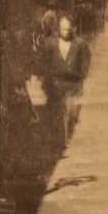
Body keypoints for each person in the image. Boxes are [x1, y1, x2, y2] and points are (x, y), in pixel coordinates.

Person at [43, 15, 90, 146]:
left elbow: (86, 60)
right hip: (56, 83)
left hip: (74, 83)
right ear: (58, 29)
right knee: (60, 113)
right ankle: (62, 141)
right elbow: (44, 63)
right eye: (63, 29)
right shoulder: (50, 43)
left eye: (68, 29)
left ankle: (68, 133)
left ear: (73, 29)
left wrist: (82, 75)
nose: (66, 32)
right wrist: (47, 82)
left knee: (72, 114)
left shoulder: (80, 43)